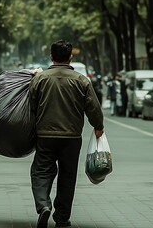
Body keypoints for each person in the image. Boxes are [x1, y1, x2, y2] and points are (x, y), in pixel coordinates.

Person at [29, 40, 104, 228]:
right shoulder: (81, 81)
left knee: (40, 171)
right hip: (71, 137)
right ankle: (61, 218)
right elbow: (93, 107)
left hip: (45, 135)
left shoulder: (40, 79)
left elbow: (31, 105)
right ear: (70, 57)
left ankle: (43, 205)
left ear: (51, 57)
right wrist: (98, 126)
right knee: (67, 176)